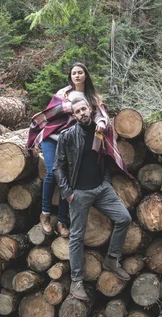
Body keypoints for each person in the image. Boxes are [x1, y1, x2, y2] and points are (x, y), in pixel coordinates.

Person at [53, 96, 132, 300]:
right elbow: (57, 167)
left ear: (89, 109)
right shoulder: (67, 136)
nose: (82, 114)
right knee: (77, 237)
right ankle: (76, 281)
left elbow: (104, 158)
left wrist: (105, 181)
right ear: (74, 115)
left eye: (84, 109)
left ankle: (111, 259)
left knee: (124, 218)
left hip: (101, 188)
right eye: (77, 112)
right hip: (78, 193)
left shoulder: (100, 132)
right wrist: (68, 193)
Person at [27, 62, 110, 237]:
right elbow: (49, 114)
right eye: (74, 73)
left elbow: (102, 115)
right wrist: (66, 108)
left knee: (68, 178)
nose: (77, 75)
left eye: (80, 72)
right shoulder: (63, 93)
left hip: (72, 142)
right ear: (70, 76)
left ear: (86, 75)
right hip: (53, 138)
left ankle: (62, 220)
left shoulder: (93, 98)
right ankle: (45, 213)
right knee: (51, 173)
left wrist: (101, 122)